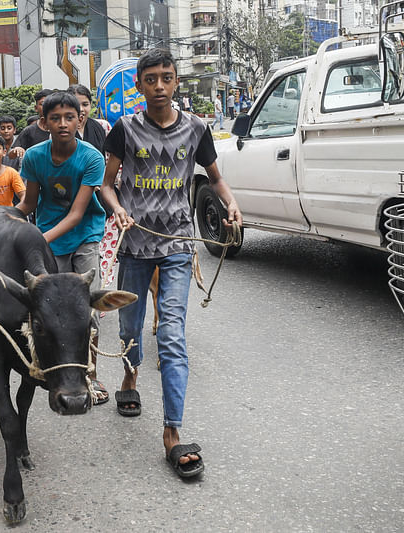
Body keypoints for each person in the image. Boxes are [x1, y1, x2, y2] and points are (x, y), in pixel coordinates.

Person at [99, 48, 243, 479]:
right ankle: (129, 377)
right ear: (139, 85)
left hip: (178, 245)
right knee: (128, 327)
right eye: (151, 79)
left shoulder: (197, 128)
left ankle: (172, 432)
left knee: (172, 334)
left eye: (166, 78)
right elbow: (107, 185)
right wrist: (117, 208)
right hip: (134, 247)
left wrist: (231, 203)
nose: (159, 86)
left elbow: (214, 177)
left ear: (176, 82)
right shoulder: (124, 129)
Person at [16, 91, 109, 405]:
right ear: (43, 122)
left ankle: (91, 375)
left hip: (83, 235)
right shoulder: (34, 157)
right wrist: (5, 218)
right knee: (50, 311)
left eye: (69, 117)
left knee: (86, 312)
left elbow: (76, 214)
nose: (63, 123)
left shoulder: (92, 158)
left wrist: (39, 239)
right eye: (54, 118)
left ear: (80, 119)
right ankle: (51, 369)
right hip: (48, 236)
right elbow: (28, 203)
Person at [8, 88, 54, 160]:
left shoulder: (63, 128)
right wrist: (16, 150)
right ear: (36, 108)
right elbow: (10, 155)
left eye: (50, 104)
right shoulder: (29, 131)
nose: (46, 107)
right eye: (42, 104)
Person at [67, 84, 107, 154]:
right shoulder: (60, 130)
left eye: (85, 104)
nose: (81, 109)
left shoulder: (102, 126)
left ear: (90, 104)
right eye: (76, 105)